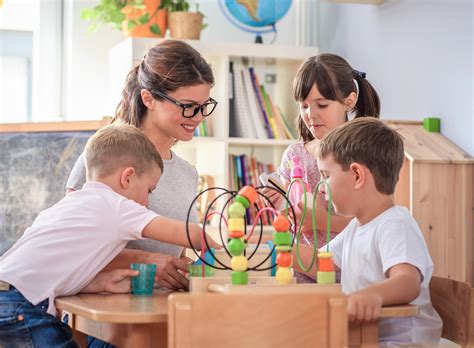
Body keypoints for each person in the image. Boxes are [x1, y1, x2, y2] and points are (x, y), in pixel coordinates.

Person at [0, 123, 219, 347]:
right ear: (127, 178)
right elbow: (187, 233)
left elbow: (53, 268)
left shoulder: (65, 207)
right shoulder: (118, 207)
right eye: (149, 190)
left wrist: (100, 283)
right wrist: (224, 247)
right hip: (22, 306)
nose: (146, 201)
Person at [66, 40, 218, 291]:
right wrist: (147, 262)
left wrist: (188, 268)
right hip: (110, 305)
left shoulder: (188, 173)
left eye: (204, 106)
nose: (199, 117)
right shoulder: (106, 155)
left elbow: (175, 254)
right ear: (148, 98)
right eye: (189, 107)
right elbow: (72, 244)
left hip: (165, 307)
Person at [301, 118, 442, 346]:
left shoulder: (395, 224)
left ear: (357, 175)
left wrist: (372, 295)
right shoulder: (356, 227)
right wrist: (276, 251)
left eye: (326, 176)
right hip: (367, 336)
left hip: (403, 343)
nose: (322, 187)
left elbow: (407, 281)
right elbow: (321, 263)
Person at [265, 53, 381, 282]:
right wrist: (278, 205)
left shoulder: (365, 154)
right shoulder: (294, 155)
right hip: (298, 273)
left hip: (347, 275)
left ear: (349, 101)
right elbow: (288, 219)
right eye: (304, 106)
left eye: (322, 105)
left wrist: (319, 221)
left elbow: (371, 221)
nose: (311, 115)